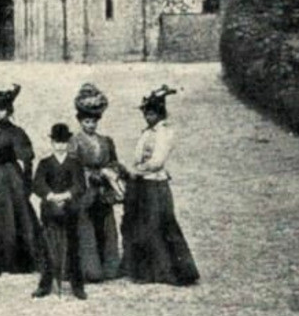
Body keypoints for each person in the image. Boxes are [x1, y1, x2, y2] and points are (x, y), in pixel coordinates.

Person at [122, 86, 201, 286]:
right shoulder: (146, 132)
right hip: (141, 185)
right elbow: (138, 155)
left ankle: (170, 270)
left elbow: (157, 161)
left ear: (160, 113)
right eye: (146, 113)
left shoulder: (166, 133)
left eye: (152, 113)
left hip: (155, 184)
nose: (149, 117)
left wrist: (137, 171)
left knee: (159, 224)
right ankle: (143, 271)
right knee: (142, 225)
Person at [68, 83, 128, 282]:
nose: (91, 125)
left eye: (93, 121)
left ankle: (109, 267)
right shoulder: (75, 142)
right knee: (85, 226)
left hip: (103, 190)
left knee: (106, 225)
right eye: (87, 121)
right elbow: (72, 167)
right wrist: (90, 175)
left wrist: (114, 171)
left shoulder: (105, 141)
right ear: (80, 121)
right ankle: (89, 270)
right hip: (85, 190)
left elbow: (113, 160)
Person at [0, 84, 40, 274]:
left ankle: (18, 260)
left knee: (17, 217)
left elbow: (27, 159)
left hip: (11, 178)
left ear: (9, 110)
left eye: (2, 109)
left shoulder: (17, 132)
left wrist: (27, 185)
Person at [32, 124, 88, 299]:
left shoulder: (75, 163)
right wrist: (51, 196)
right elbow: (38, 184)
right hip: (49, 208)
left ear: (68, 143)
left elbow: (80, 185)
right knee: (48, 247)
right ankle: (45, 285)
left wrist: (66, 195)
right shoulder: (45, 163)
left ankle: (77, 286)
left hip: (70, 208)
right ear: (52, 142)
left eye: (64, 142)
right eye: (57, 141)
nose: (60, 146)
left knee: (72, 246)